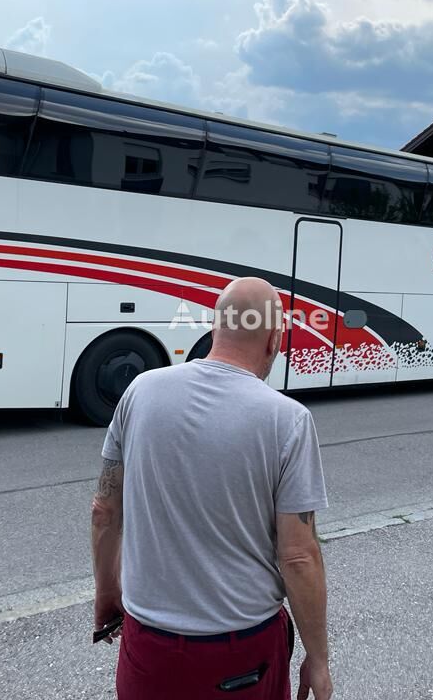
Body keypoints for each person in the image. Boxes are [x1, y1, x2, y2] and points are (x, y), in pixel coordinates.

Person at [91, 276, 332, 700]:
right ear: (274, 340)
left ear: (216, 327)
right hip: (241, 654)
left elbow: (104, 511)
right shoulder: (288, 420)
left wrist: (108, 595)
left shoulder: (139, 392)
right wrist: (318, 660)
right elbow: (297, 555)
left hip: (148, 645)